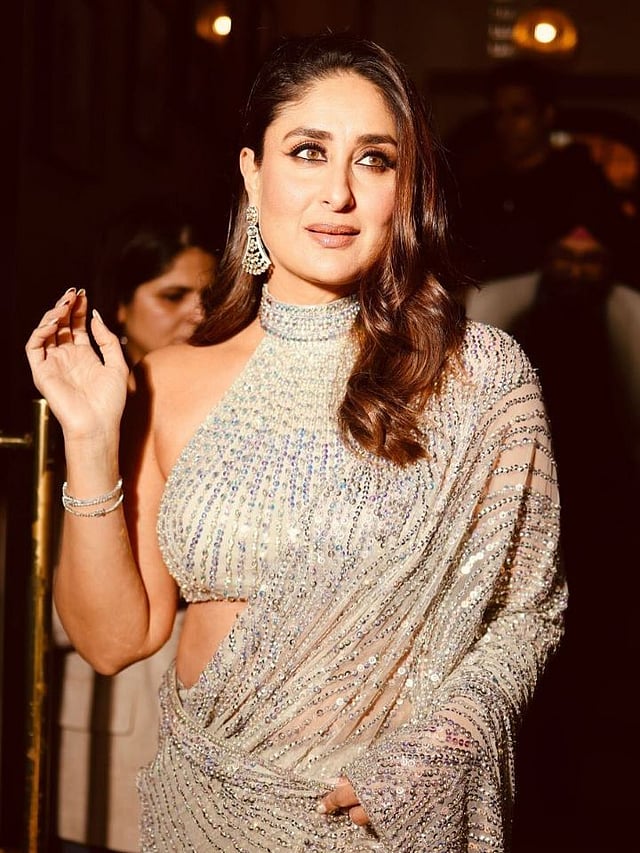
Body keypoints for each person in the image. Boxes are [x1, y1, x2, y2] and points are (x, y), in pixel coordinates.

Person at [27, 34, 565, 852]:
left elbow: (530, 611)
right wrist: (92, 437)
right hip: (198, 807)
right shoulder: (168, 378)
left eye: (374, 159)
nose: (338, 192)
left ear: (405, 186)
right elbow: (112, 640)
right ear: (252, 172)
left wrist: (435, 750)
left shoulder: (480, 377)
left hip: (375, 818)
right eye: (308, 151)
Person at [52, 202, 218, 853]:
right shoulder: (78, 410)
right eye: (171, 295)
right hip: (114, 720)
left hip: (218, 728)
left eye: (209, 295)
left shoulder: (236, 402)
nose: (197, 312)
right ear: (120, 307)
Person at [455, 59, 639, 289]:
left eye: (519, 112)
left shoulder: (579, 181)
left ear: (547, 115)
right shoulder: (485, 187)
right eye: (499, 114)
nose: (506, 124)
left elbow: (615, 254)